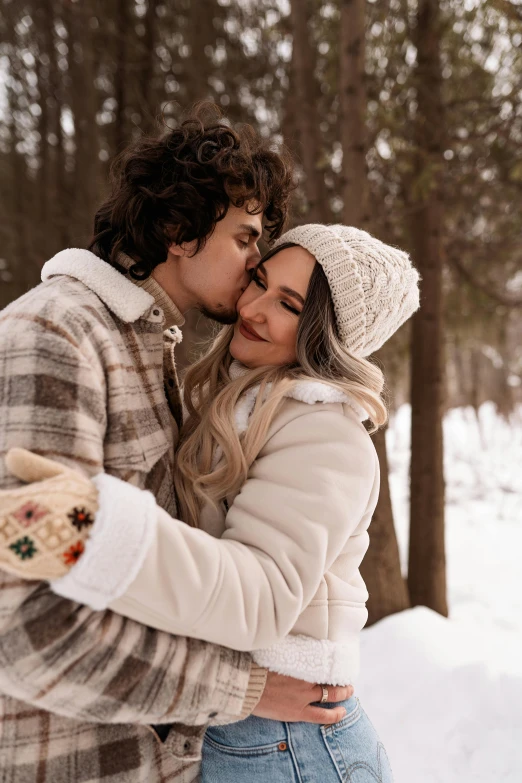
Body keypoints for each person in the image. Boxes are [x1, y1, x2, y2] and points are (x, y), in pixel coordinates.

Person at [0, 106, 354, 783]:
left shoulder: (150, 350)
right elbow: (22, 627)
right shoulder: (55, 337)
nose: (257, 264)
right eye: (246, 238)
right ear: (176, 230)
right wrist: (239, 689)